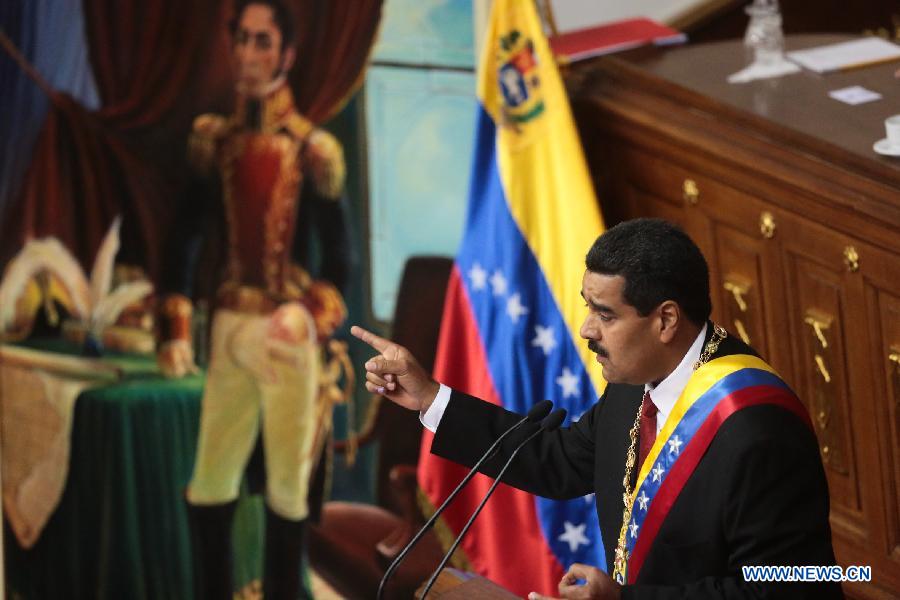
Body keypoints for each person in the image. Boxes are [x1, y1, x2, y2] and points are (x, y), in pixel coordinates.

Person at [353, 218, 841, 599]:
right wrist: (430, 398)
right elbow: (561, 462)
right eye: (588, 307)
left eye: (605, 314)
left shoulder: (759, 431)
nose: (586, 330)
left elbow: (790, 588)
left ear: (666, 319)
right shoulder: (636, 384)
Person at [156, 0, 353, 598]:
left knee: (287, 494)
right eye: (241, 39)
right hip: (229, 330)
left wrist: (308, 315)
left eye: (262, 42)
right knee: (210, 486)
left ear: (285, 54)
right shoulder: (212, 141)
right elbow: (186, 236)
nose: (247, 54)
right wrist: (175, 324)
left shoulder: (312, 150)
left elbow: (341, 261)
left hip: (290, 340)